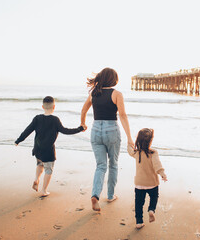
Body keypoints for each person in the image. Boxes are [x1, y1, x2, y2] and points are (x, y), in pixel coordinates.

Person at [80, 67, 134, 211]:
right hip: (111, 130)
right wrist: (130, 138)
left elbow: (84, 109)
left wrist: (83, 123)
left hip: (96, 130)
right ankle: (110, 195)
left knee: (101, 166)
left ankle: (95, 195)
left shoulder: (94, 93)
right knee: (113, 164)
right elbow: (122, 115)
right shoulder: (117, 94)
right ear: (113, 79)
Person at [15, 96, 85, 197]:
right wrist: (79, 129)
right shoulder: (55, 120)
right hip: (48, 151)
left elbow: (27, 130)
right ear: (54, 107)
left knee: (40, 164)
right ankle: (44, 190)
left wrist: (18, 140)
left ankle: (36, 179)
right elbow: (65, 131)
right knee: (48, 170)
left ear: (43, 107)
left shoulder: (37, 118)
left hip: (38, 149)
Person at [127, 128, 167, 229]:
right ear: (150, 141)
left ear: (138, 140)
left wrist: (129, 142)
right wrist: (162, 174)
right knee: (154, 197)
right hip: (152, 183)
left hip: (139, 184)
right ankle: (151, 210)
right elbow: (157, 165)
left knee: (138, 204)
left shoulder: (137, 153)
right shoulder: (153, 153)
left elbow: (129, 151)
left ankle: (139, 222)